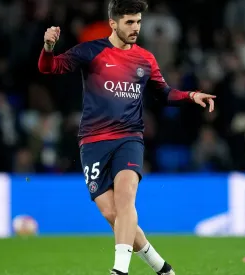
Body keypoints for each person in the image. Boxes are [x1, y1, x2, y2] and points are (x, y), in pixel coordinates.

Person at [38, 0, 216, 274]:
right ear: (113, 23)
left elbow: (164, 93)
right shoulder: (91, 51)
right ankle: (162, 268)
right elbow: (50, 68)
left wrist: (191, 95)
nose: (136, 28)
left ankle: (119, 270)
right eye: (129, 22)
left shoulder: (145, 58)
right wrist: (49, 47)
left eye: (139, 22)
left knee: (126, 197)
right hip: (93, 142)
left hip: (129, 138)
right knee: (112, 214)